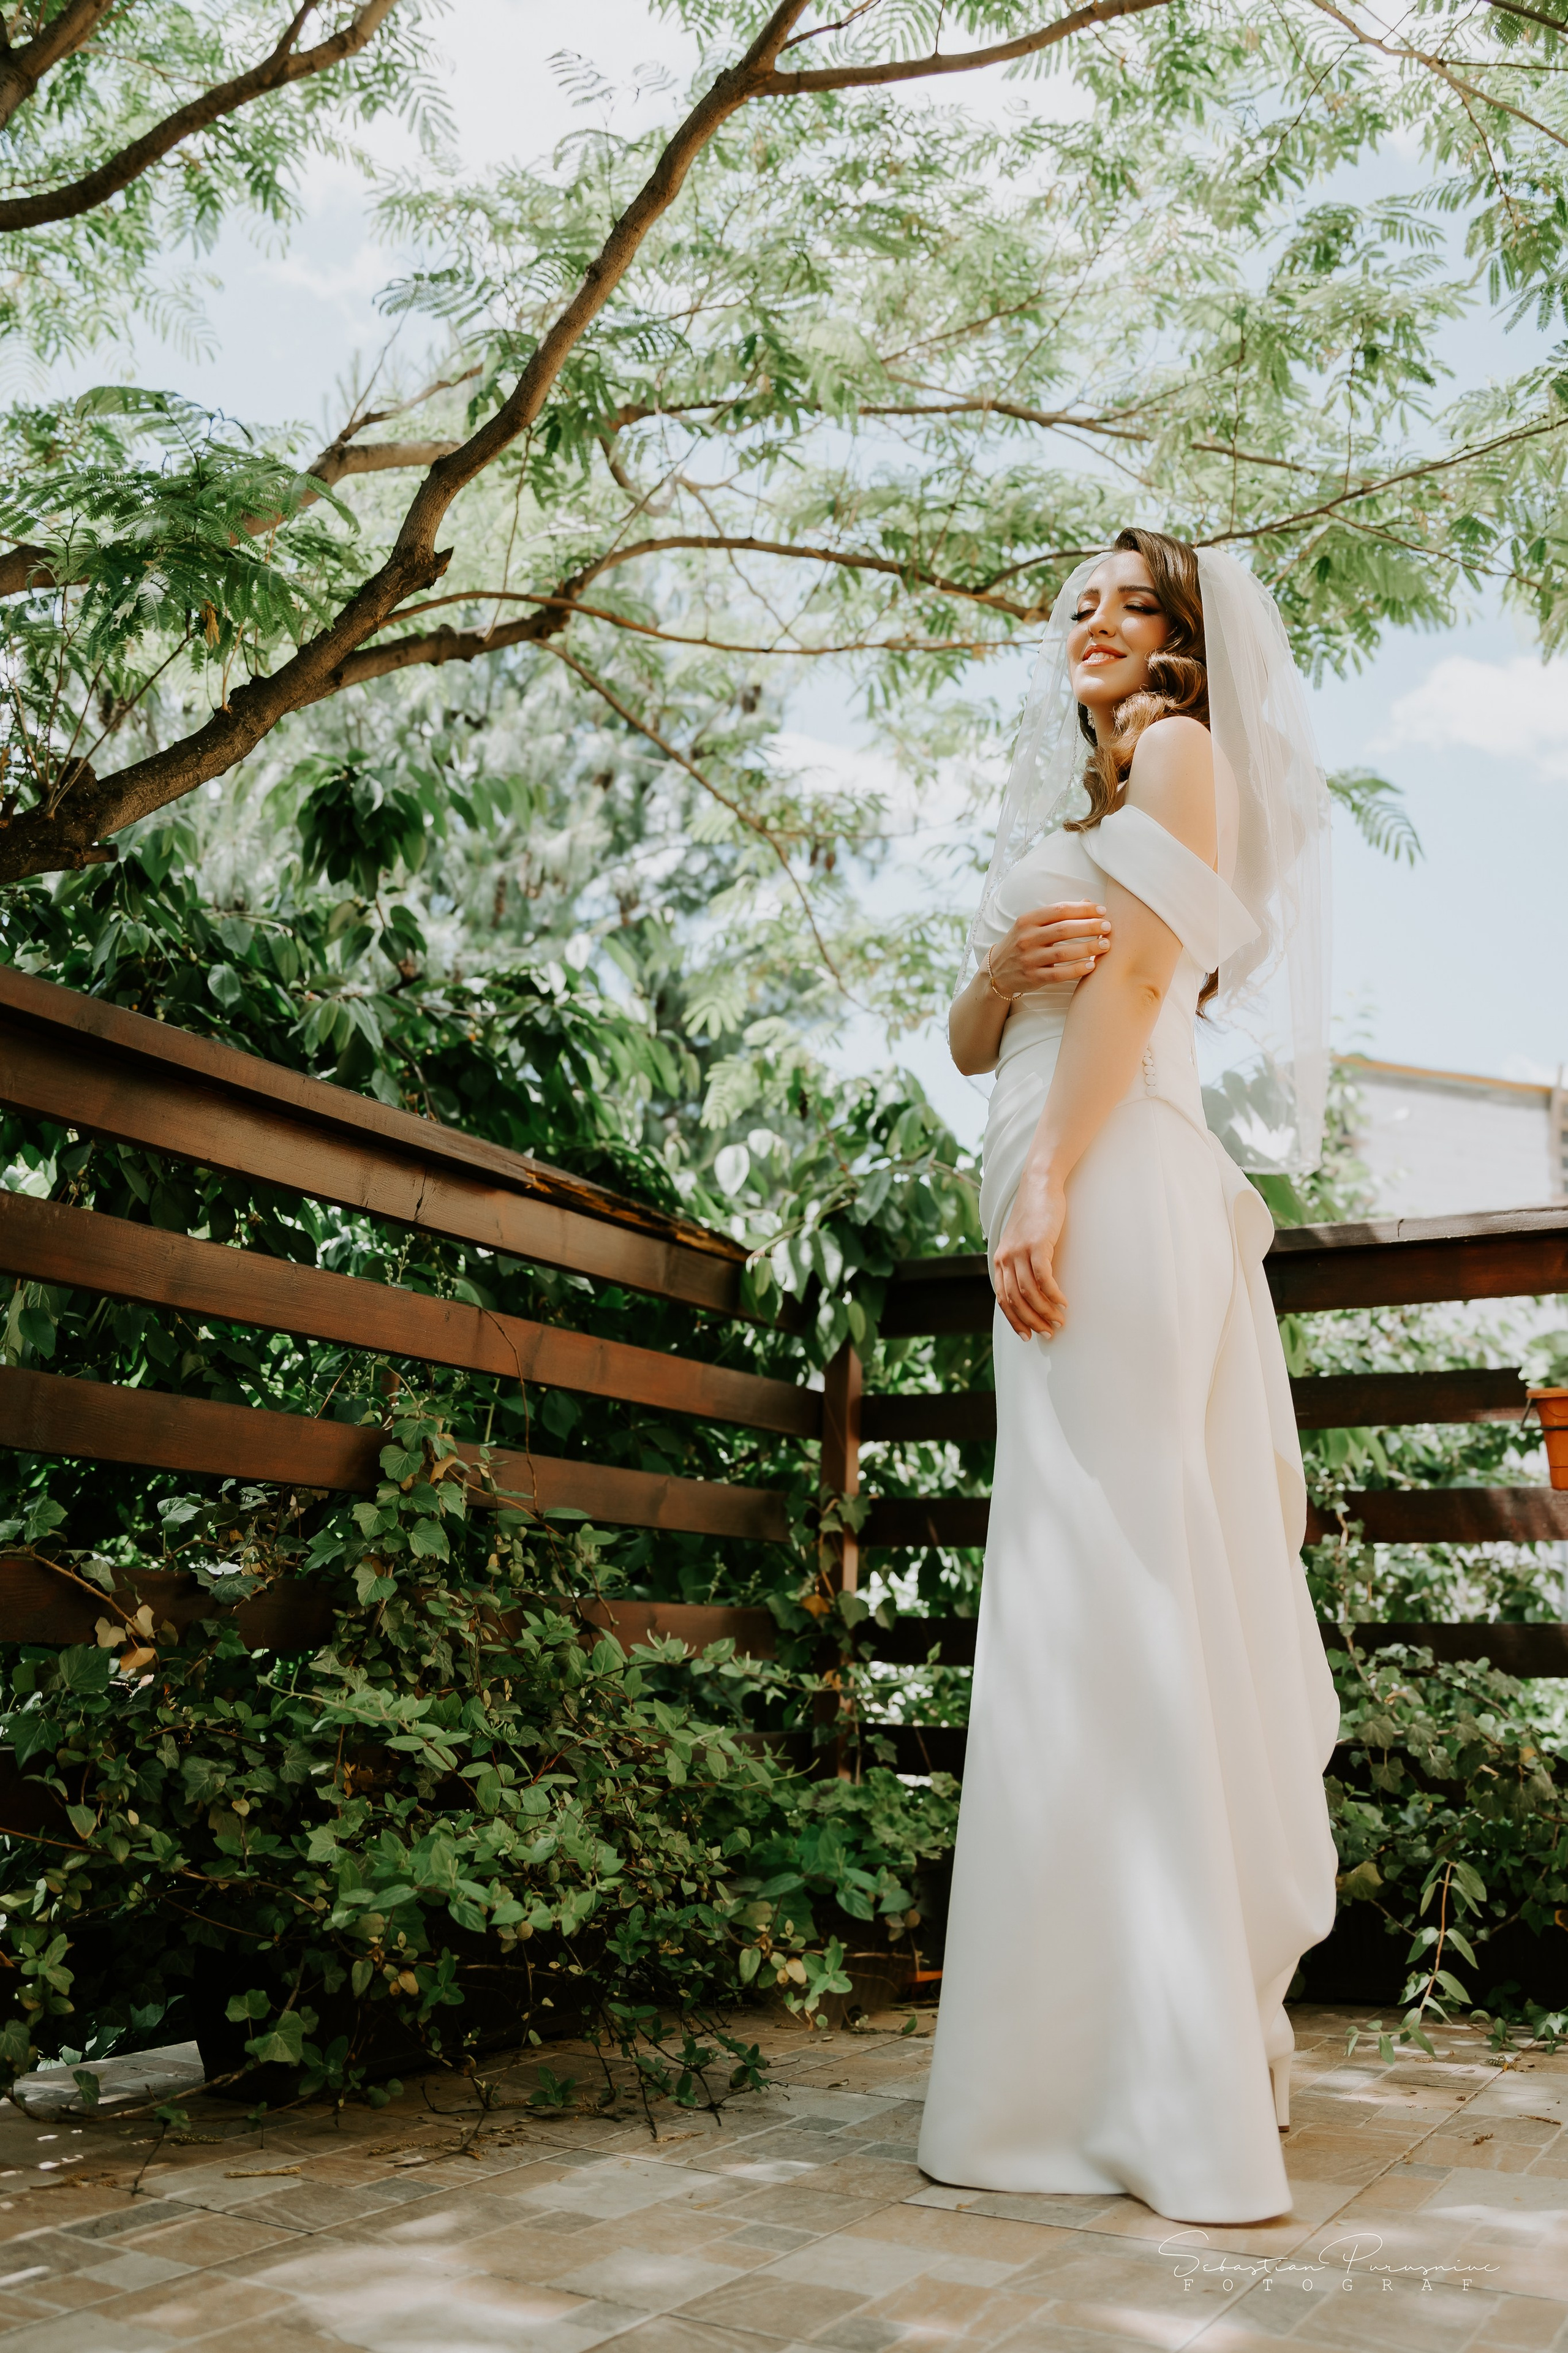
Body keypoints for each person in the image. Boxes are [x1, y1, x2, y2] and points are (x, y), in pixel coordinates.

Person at [916, 529, 1342, 2227]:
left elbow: (1154, 974)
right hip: (1057, 1181)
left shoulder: (1181, 752)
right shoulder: (1074, 809)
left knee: (1127, 1588)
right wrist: (1000, 974)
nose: (1091, 621)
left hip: (1110, 1191)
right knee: (1064, 1608)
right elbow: (973, 1039)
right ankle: (1069, 2067)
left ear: (1181, 636)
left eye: (1127, 599)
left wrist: (1048, 1181)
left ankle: (1168, 2089)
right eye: (1073, 601)